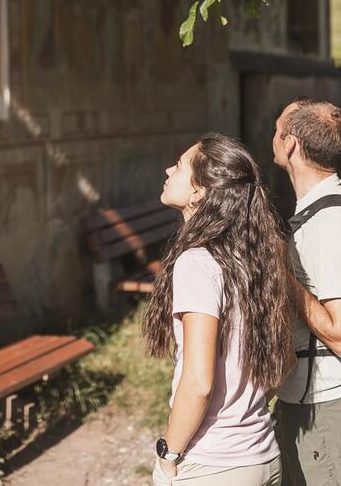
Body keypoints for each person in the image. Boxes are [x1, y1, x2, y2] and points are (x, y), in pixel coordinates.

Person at [145, 133, 292, 486]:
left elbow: (198, 382)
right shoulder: (257, 258)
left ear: (199, 191)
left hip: (214, 465)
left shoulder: (198, 262)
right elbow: (285, 360)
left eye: (179, 166)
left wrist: (169, 455)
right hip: (264, 457)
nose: (168, 169)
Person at [272, 99, 341, 486]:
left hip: (327, 404)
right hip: (310, 399)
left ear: (291, 144)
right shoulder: (319, 215)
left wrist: (281, 277)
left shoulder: (328, 223)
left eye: (276, 126)